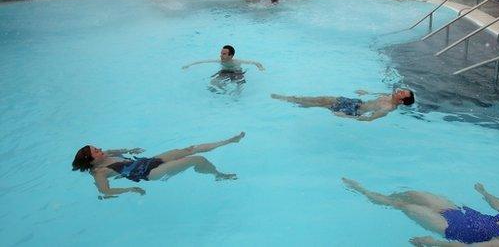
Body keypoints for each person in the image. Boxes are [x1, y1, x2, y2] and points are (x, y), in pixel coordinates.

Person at [342, 179, 499, 247]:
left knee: (403, 206)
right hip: (456, 212)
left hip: (447, 227)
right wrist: (485, 192)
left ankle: (361, 191)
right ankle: (377, 192)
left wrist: (431, 242)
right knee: (412, 193)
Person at [72, 132, 245, 198]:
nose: (100, 149)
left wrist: (132, 149)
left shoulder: (108, 153)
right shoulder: (99, 172)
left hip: (149, 161)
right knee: (197, 159)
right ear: (92, 161)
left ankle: (228, 141)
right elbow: (105, 191)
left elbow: (123, 150)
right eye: (96, 151)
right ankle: (218, 176)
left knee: (188, 149)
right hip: (150, 174)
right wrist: (130, 190)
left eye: (97, 148)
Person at [271, 88, 414, 121]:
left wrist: (345, 116)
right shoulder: (388, 95)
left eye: (402, 93)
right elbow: (375, 95)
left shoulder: (388, 108)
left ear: (401, 101)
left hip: (353, 110)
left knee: (321, 105)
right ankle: (293, 99)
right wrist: (365, 92)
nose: (400, 91)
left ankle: (292, 101)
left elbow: (368, 118)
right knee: (323, 99)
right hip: (356, 102)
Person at [182, 45, 265, 93]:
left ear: (231, 55)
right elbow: (203, 61)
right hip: (224, 72)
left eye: (224, 54)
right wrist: (188, 65)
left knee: (239, 86)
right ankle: (224, 92)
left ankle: (236, 98)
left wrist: (261, 68)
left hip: (237, 72)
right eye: (221, 53)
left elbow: (256, 63)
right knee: (212, 83)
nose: (221, 55)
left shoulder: (237, 61)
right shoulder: (220, 61)